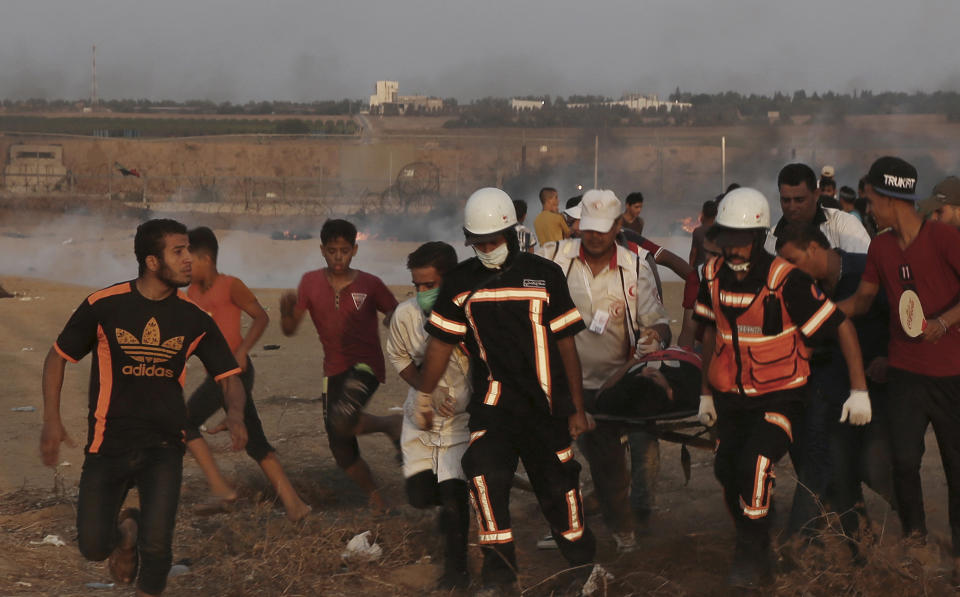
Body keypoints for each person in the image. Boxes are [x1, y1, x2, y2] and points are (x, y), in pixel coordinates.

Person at [40, 219, 248, 596]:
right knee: (92, 545)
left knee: (158, 550)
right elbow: (57, 358)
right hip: (108, 445)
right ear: (153, 262)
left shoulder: (194, 318)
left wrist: (235, 414)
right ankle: (126, 531)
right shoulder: (104, 306)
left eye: (189, 251)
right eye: (179, 252)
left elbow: (228, 375)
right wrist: (51, 421)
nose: (190, 260)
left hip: (164, 447)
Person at [418, 187, 599, 594]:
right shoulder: (459, 284)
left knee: (559, 490)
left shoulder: (546, 274)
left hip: (547, 408)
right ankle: (500, 577)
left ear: (512, 234)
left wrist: (577, 407)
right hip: (495, 407)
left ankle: (584, 568)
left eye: (492, 241)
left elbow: (567, 343)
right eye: (477, 242)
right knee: (482, 475)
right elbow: (440, 345)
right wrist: (424, 395)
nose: (486, 249)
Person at [694, 188, 871, 588]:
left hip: (781, 396)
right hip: (730, 398)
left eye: (742, 239)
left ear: (758, 237)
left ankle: (753, 554)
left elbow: (839, 324)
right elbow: (708, 334)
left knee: (757, 466)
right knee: (728, 470)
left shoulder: (786, 281)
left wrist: (858, 390)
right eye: (727, 238)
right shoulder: (710, 276)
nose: (734, 247)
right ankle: (752, 534)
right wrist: (705, 392)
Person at [838, 157, 960, 581]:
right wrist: (818, 314)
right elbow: (863, 302)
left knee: (955, 466)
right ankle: (916, 543)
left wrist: (944, 322)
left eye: (871, 200)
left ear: (891, 198)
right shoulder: (880, 247)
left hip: (951, 374)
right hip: (906, 371)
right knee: (904, 463)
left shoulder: (944, 237)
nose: (868, 208)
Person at [541, 189, 671, 553]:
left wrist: (652, 337)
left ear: (618, 226)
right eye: (589, 227)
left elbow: (658, 321)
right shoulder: (553, 259)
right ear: (579, 224)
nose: (594, 236)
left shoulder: (635, 266)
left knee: (609, 461)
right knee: (585, 462)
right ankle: (599, 524)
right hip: (563, 384)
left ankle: (619, 526)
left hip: (616, 384)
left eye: (603, 228)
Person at [776, 223, 895, 557]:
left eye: (793, 260)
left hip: (878, 386)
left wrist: (888, 357)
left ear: (815, 247)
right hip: (829, 386)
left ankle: (918, 531)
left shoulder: (866, 269)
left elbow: (899, 320)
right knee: (830, 462)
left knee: (875, 467)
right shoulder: (800, 287)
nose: (788, 270)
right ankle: (846, 542)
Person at [183, 227, 311, 521]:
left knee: (184, 424)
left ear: (206, 258)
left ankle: (221, 489)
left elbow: (261, 316)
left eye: (190, 260)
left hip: (236, 372)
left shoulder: (231, 286)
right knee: (256, 444)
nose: (186, 267)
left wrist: (242, 350)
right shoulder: (189, 294)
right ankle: (296, 506)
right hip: (215, 375)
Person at [279, 218, 401, 512]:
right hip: (333, 370)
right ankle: (376, 498)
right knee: (340, 446)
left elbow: (396, 313)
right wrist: (286, 312)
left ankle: (389, 423)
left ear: (355, 250)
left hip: (366, 366)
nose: (338, 257)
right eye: (332, 250)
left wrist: (393, 319)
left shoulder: (371, 284)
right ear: (322, 250)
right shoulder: (309, 282)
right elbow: (290, 328)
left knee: (343, 417)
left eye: (344, 251)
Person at [384, 241, 471, 589]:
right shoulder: (406, 316)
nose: (421, 293)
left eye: (429, 286)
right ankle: (451, 513)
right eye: (417, 286)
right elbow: (399, 358)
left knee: (453, 494)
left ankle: (457, 572)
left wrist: (466, 399)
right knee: (420, 496)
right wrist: (426, 389)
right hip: (419, 415)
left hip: (462, 419)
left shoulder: (471, 313)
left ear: (448, 280)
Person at [765, 163, 870, 254]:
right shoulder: (772, 238)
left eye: (799, 200)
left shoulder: (843, 225)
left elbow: (864, 268)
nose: (792, 207)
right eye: (786, 200)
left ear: (816, 195)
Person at [690, 199, 718, 270]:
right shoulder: (720, 231)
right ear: (716, 214)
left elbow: (693, 253)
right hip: (716, 267)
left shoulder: (698, 231)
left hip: (700, 268)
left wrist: (690, 270)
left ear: (703, 213)